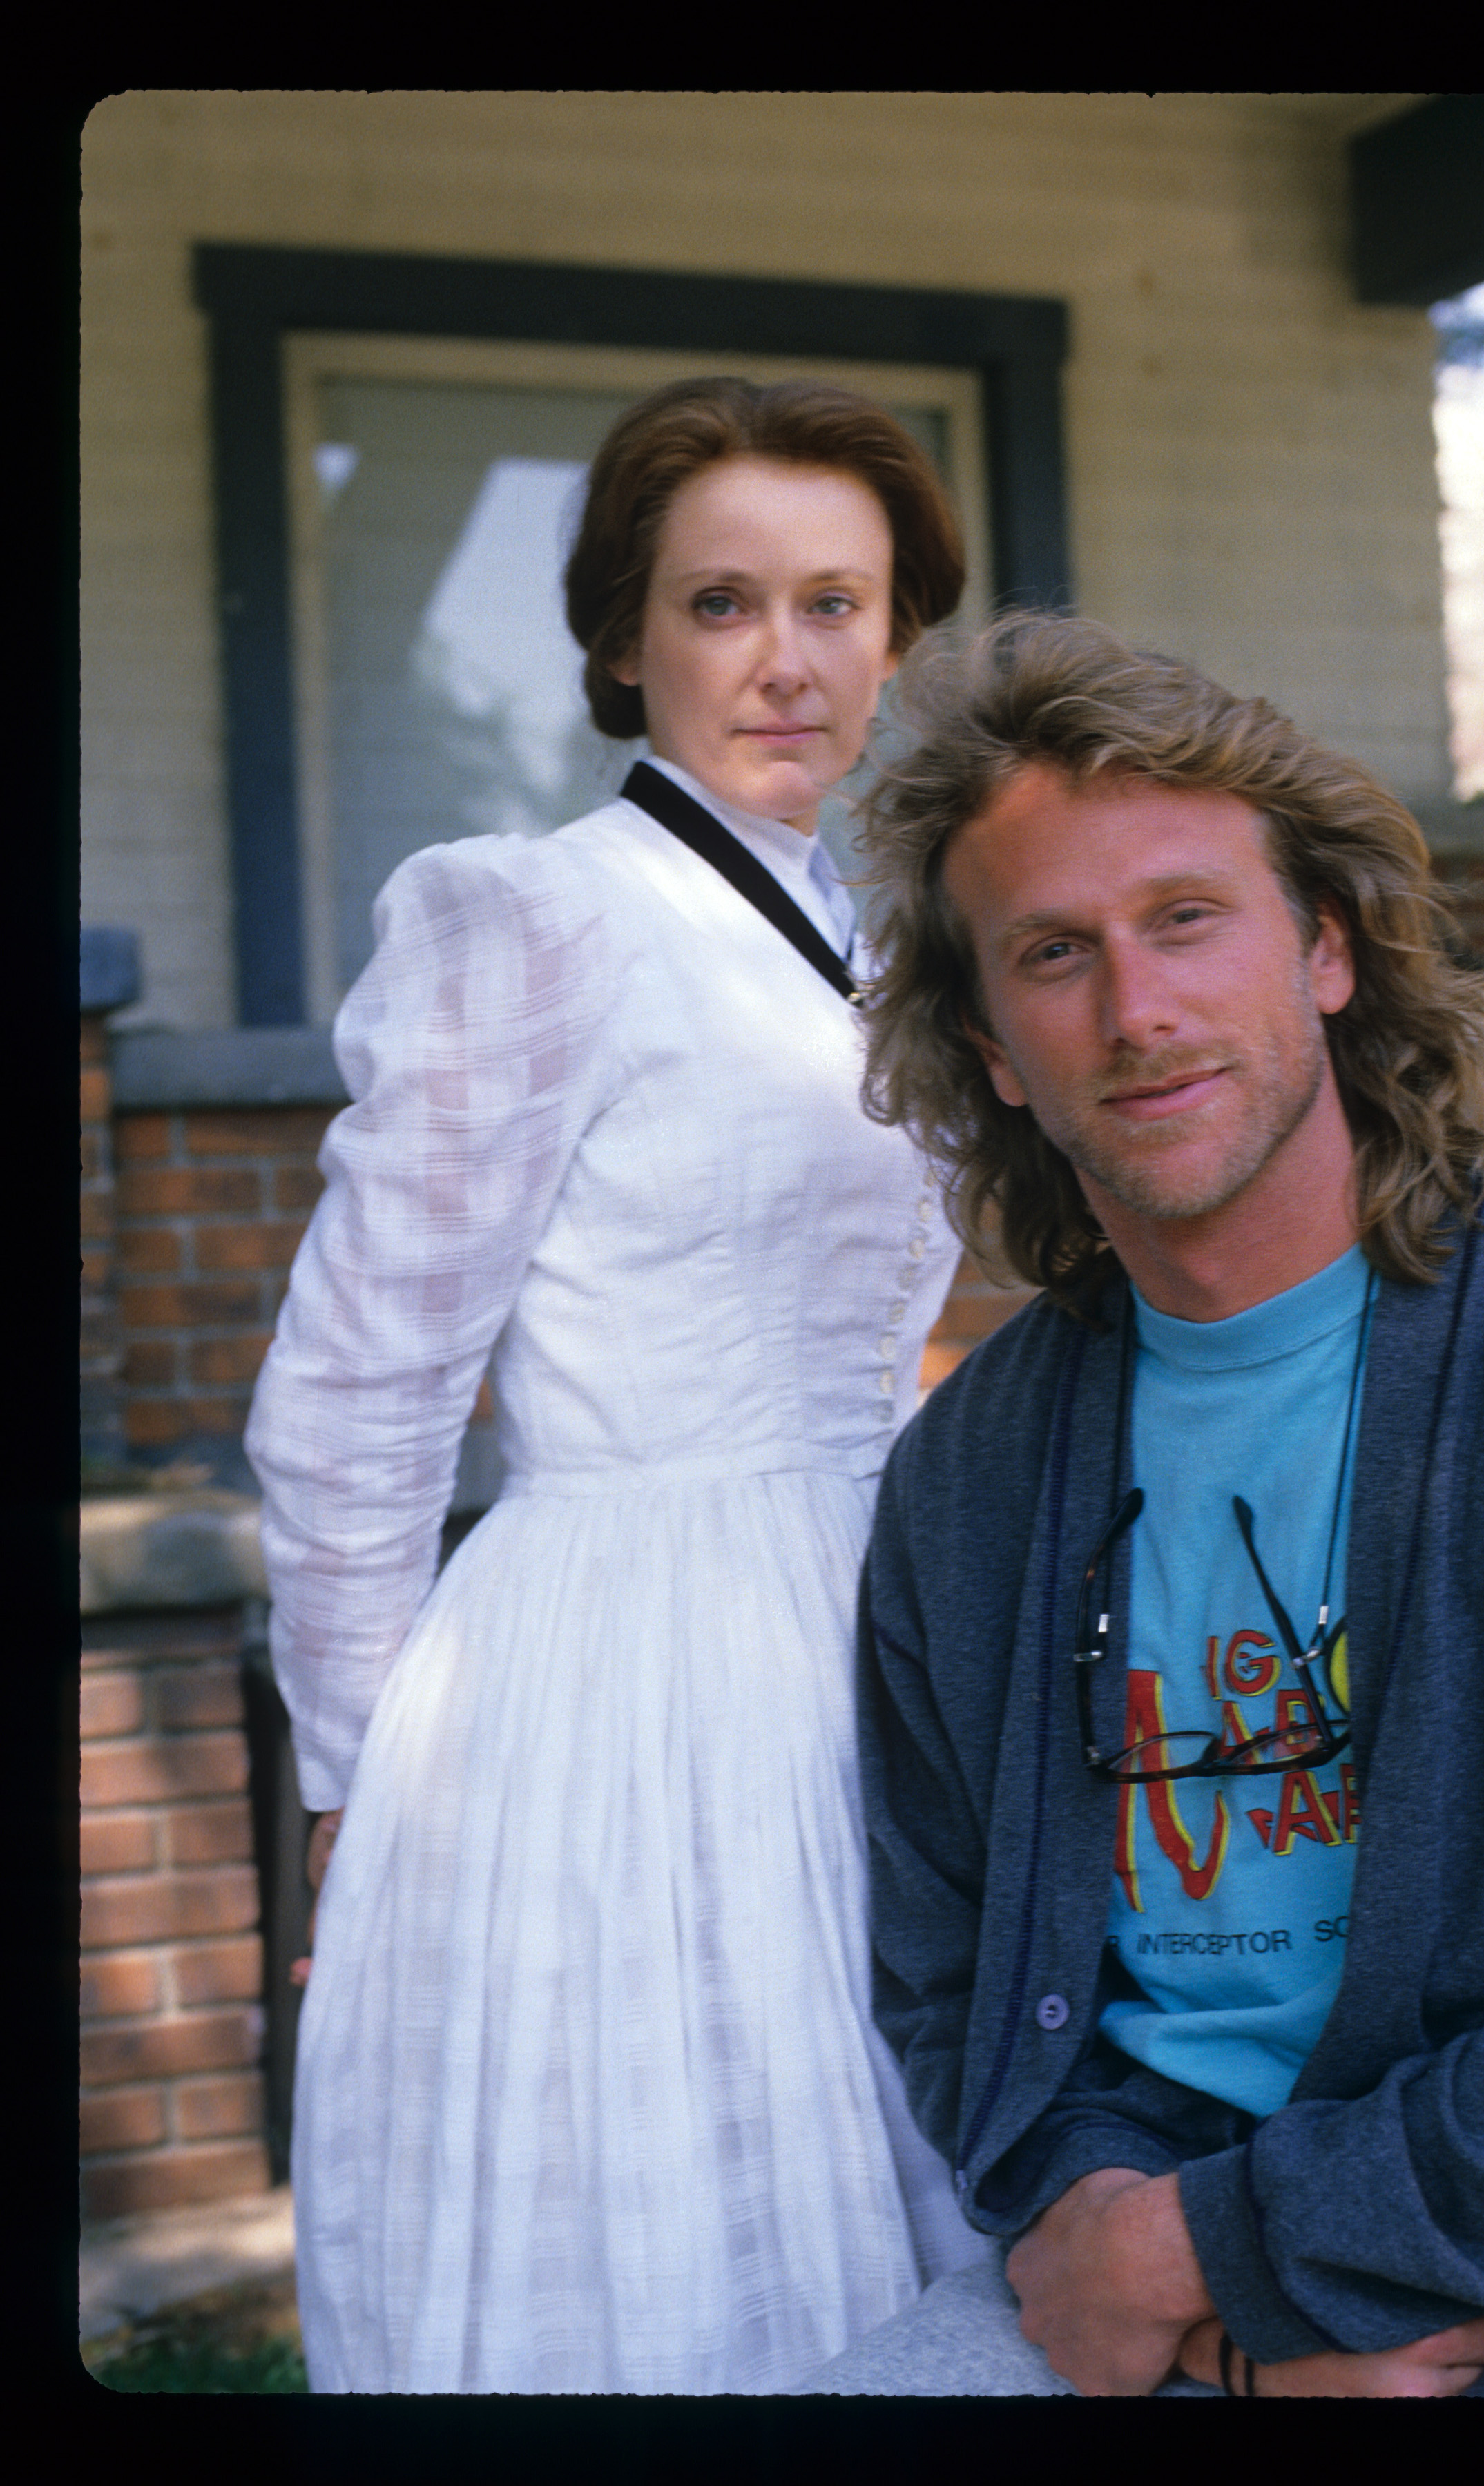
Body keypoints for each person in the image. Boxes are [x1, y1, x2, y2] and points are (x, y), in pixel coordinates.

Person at [792, 613, 1484, 2398]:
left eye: (1184, 918)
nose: (1136, 1010)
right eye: (1052, 953)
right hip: (1129, 2281)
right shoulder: (968, 1480)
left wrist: (1248, 2254)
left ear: (1323, 950)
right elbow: (959, 1999)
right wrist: (1147, 2263)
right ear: (996, 1050)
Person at [244, 377, 992, 2396]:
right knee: (662, 2203)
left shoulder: (868, 930)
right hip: (622, 1656)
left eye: (835, 604)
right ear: (621, 639)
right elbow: (358, 1388)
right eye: (723, 602)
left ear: (895, 637)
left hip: (861, 1607)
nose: (785, 659)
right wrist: (353, 1780)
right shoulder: (542, 913)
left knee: (890, 2182)